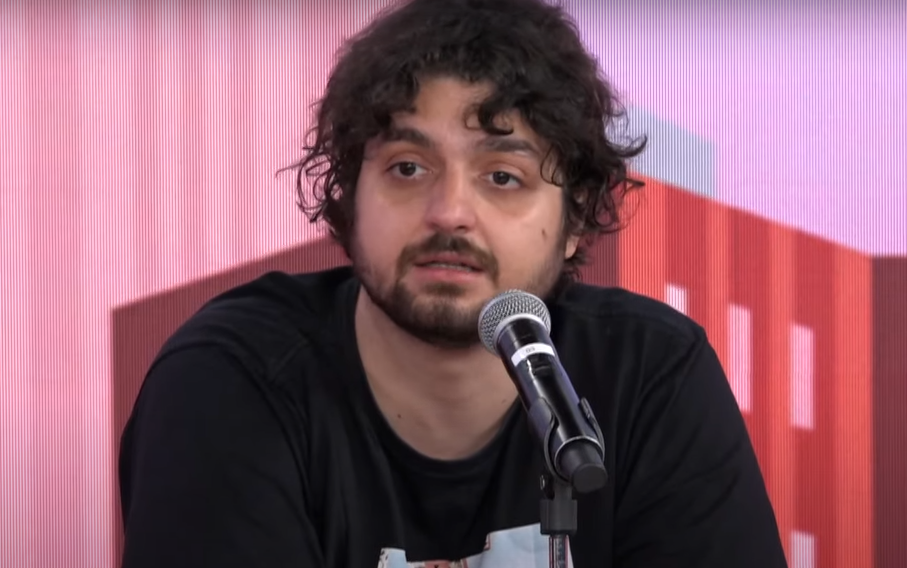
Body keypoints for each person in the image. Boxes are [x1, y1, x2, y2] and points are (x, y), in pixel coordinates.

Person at [118, 0, 788, 566]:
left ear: (576, 218)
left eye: (502, 176)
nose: (449, 212)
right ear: (349, 194)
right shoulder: (230, 377)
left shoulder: (650, 375)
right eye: (408, 168)